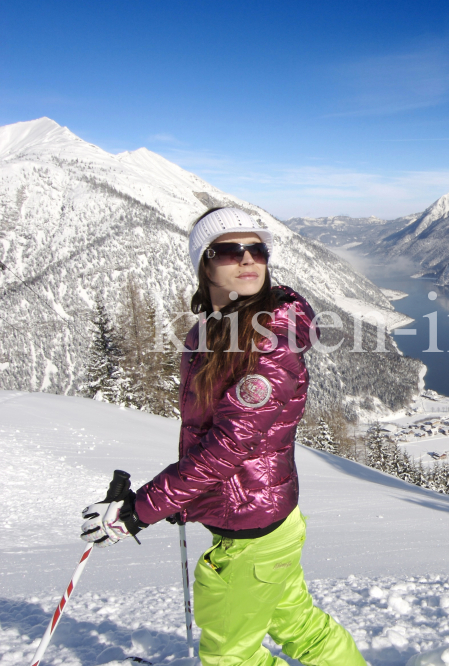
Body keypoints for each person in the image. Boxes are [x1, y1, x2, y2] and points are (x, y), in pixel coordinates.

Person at [80, 207, 366, 666]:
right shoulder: (215, 329)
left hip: (254, 528)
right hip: (263, 518)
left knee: (230, 658)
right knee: (299, 625)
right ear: (204, 263)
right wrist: (189, 500)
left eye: (258, 250)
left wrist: (144, 509)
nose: (248, 259)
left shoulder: (267, 342)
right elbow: (214, 438)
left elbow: (230, 446)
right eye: (231, 251)